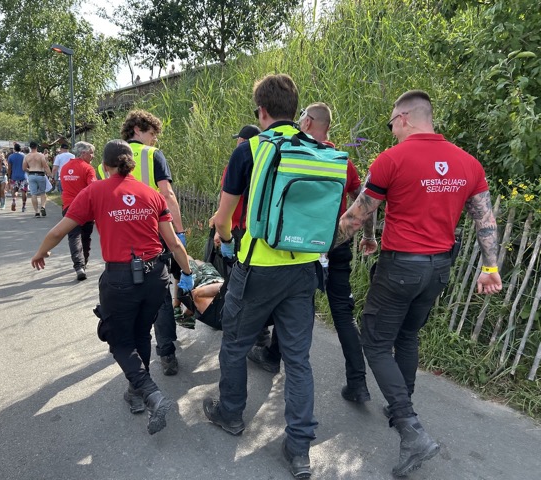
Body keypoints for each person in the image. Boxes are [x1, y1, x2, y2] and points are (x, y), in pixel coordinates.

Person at [336, 90, 502, 476]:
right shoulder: (468, 163)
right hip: (438, 269)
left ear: (405, 117)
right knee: (407, 336)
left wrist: (319, 248)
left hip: (400, 269)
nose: (391, 129)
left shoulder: (392, 159)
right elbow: (485, 220)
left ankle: (410, 429)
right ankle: (401, 407)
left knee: (375, 342)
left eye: (391, 122)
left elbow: (357, 216)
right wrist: (490, 267)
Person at [31, 140, 194, 435]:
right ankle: (136, 393)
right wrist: (187, 273)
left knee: (119, 339)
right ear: (131, 163)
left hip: (120, 280)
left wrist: (41, 252)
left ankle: (151, 394)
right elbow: (172, 243)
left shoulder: (94, 191)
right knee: (141, 333)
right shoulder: (152, 194)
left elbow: (59, 231)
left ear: (104, 166)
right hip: (155, 276)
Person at [205, 74, 320, 479]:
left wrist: (224, 241)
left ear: (262, 111)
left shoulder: (249, 149)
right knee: (298, 359)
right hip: (303, 269)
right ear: (295, 109)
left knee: (235, 344)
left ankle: (231, 415)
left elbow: (223, 219)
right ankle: (300, 447)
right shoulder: (316, 148)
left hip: (257, 269)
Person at [247, 102, 378, 405]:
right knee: (343, 314)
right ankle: (357, 382)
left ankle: (274, 355)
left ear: (306, 122)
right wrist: (369, 236)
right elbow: (363, 202)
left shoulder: (294, 152)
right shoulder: (341, 161)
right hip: (337, 246)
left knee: (293, 304)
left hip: (302, 247)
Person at [121, 109, 186, 376]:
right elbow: (167, 195)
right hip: (153, 236)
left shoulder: (108, 159)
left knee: (128, 297)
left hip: (122, 240)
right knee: (159, 295)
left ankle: (133, 355)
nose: (154, 140)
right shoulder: (151, 155)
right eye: (152, 133)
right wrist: (179, 232)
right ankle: (167, 353)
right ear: (137, 128)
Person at [60, 141, 97, 280]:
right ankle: (84, 262)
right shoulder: (88, 168)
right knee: (85, 237)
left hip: (69, 207)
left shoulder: (65, 168)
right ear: (83, 153)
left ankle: (79, 266)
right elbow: (93, 188)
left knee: (74, 236)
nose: (92, 156)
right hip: (85, 207)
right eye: (91, 152)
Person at [23, 141, 52, 218]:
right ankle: (43, 206)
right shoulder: (41, 155)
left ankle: (36, 212)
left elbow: (24, 168)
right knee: (42, 193)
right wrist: (50, 174)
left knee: (33, 194)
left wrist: (30, 170)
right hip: (40, 174)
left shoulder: (27, 156)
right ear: (37, 147)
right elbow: (45, 166)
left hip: (31, 175)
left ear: (30, 147)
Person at [7, 143, 28, 212]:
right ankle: (23, 206)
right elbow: (27, 166)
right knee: (24, 191)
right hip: (23, 176)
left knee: (15, 190)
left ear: (14, 149)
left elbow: (9, 168)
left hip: (14, 176)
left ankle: (14, 200)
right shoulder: (24, 156)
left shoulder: (11, 156)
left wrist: (9, 176)